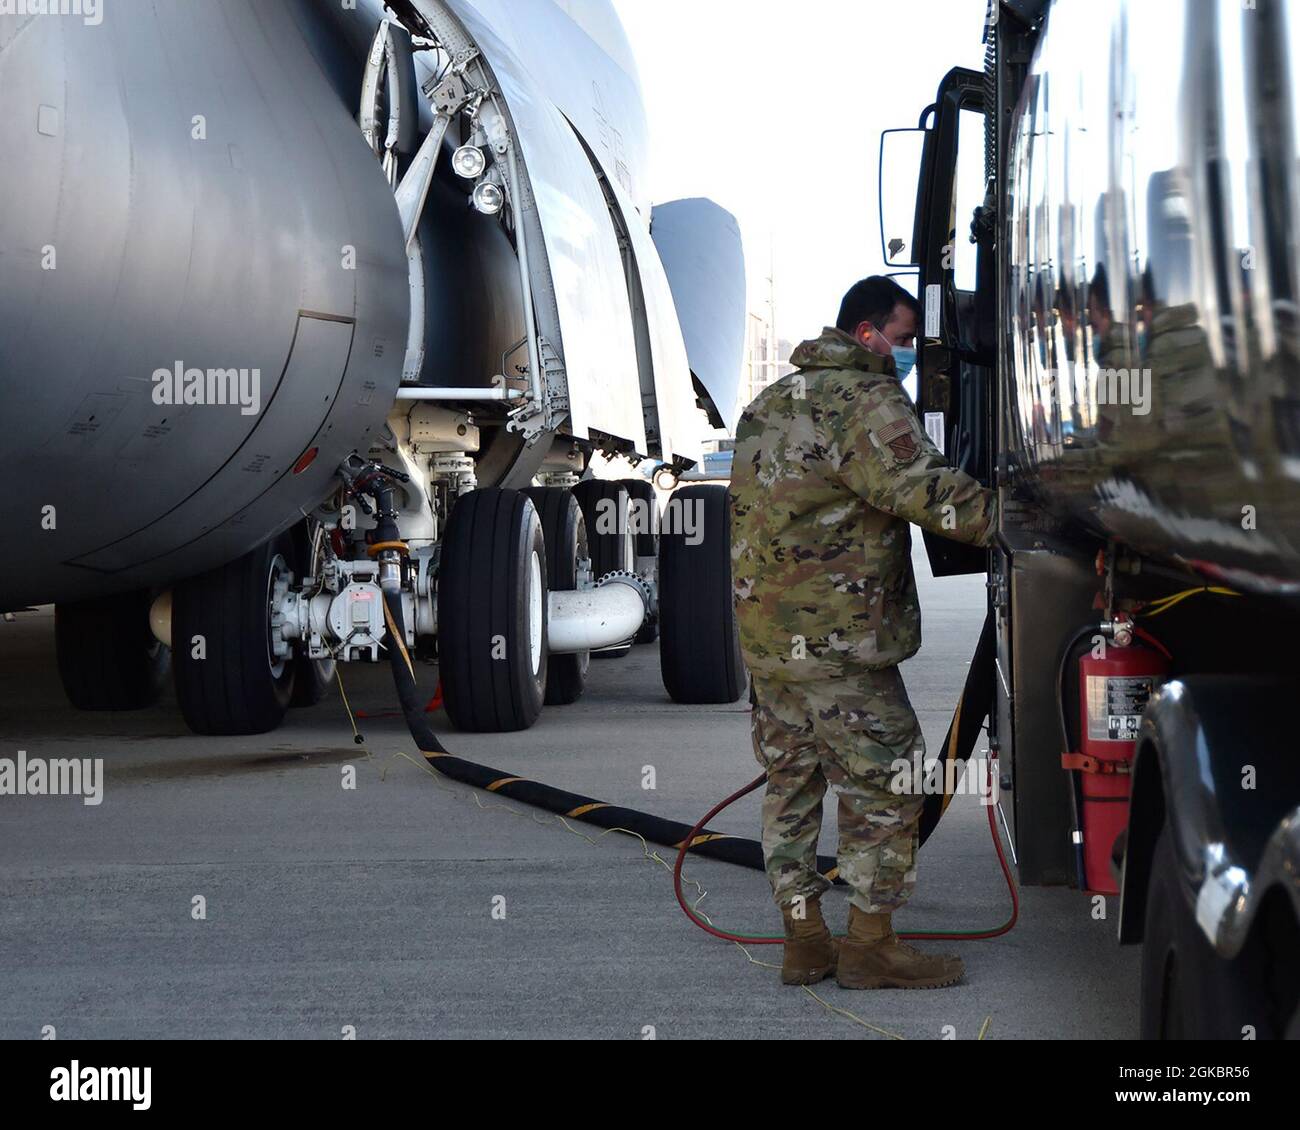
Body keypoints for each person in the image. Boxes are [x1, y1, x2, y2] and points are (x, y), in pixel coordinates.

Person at [729, 276, 997, 990]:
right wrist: (1029, 520)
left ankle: (804, 941)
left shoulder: (770, 400)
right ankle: (872, 946)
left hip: (769, 643)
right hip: (839, 644)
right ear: (866, 331)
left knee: (790, 787)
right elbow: (929, 492)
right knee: (891, 779)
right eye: (903, 340)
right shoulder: (865, 401)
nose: (906, 354)